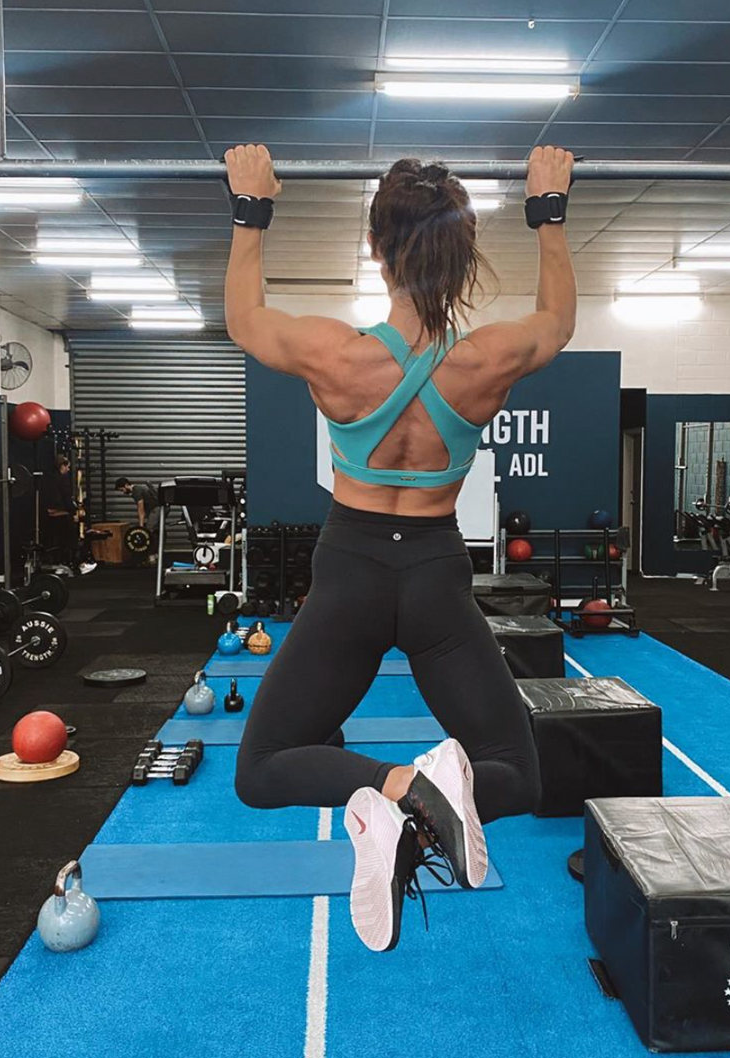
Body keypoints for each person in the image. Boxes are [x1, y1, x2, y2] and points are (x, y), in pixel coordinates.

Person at [225, 143, 577, 952]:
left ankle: (392, 790)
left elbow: (246, 319)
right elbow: (558, 319)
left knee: (263, 767)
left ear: (377, 249)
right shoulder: (489, 358)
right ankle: (421, 793)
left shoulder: (335, 354)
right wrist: (548, 208)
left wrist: (252, 207)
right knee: (517, 775)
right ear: (461, 252)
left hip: (348, 571)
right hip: (434, 576)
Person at [42, 455, 91, 573]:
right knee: (71, 540)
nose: (68, 470)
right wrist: (74, 511)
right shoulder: (63, 479)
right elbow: (66, 497)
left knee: (56, 541)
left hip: (50, 514)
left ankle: (58, 564)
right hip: (62, 514)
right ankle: (77, 565)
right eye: (67, 467)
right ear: (62, 466)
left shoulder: (48, 479)